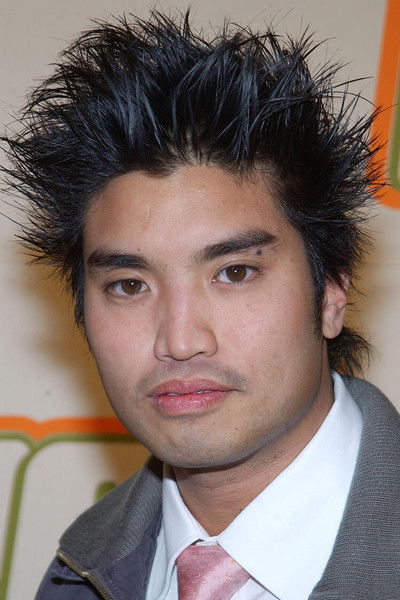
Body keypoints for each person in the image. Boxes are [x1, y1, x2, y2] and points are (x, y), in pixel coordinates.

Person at [3, 10, 399, 600]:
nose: (181, 340)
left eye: (234, 273)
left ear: (331, 293)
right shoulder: (76, 576)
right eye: (129, 285)